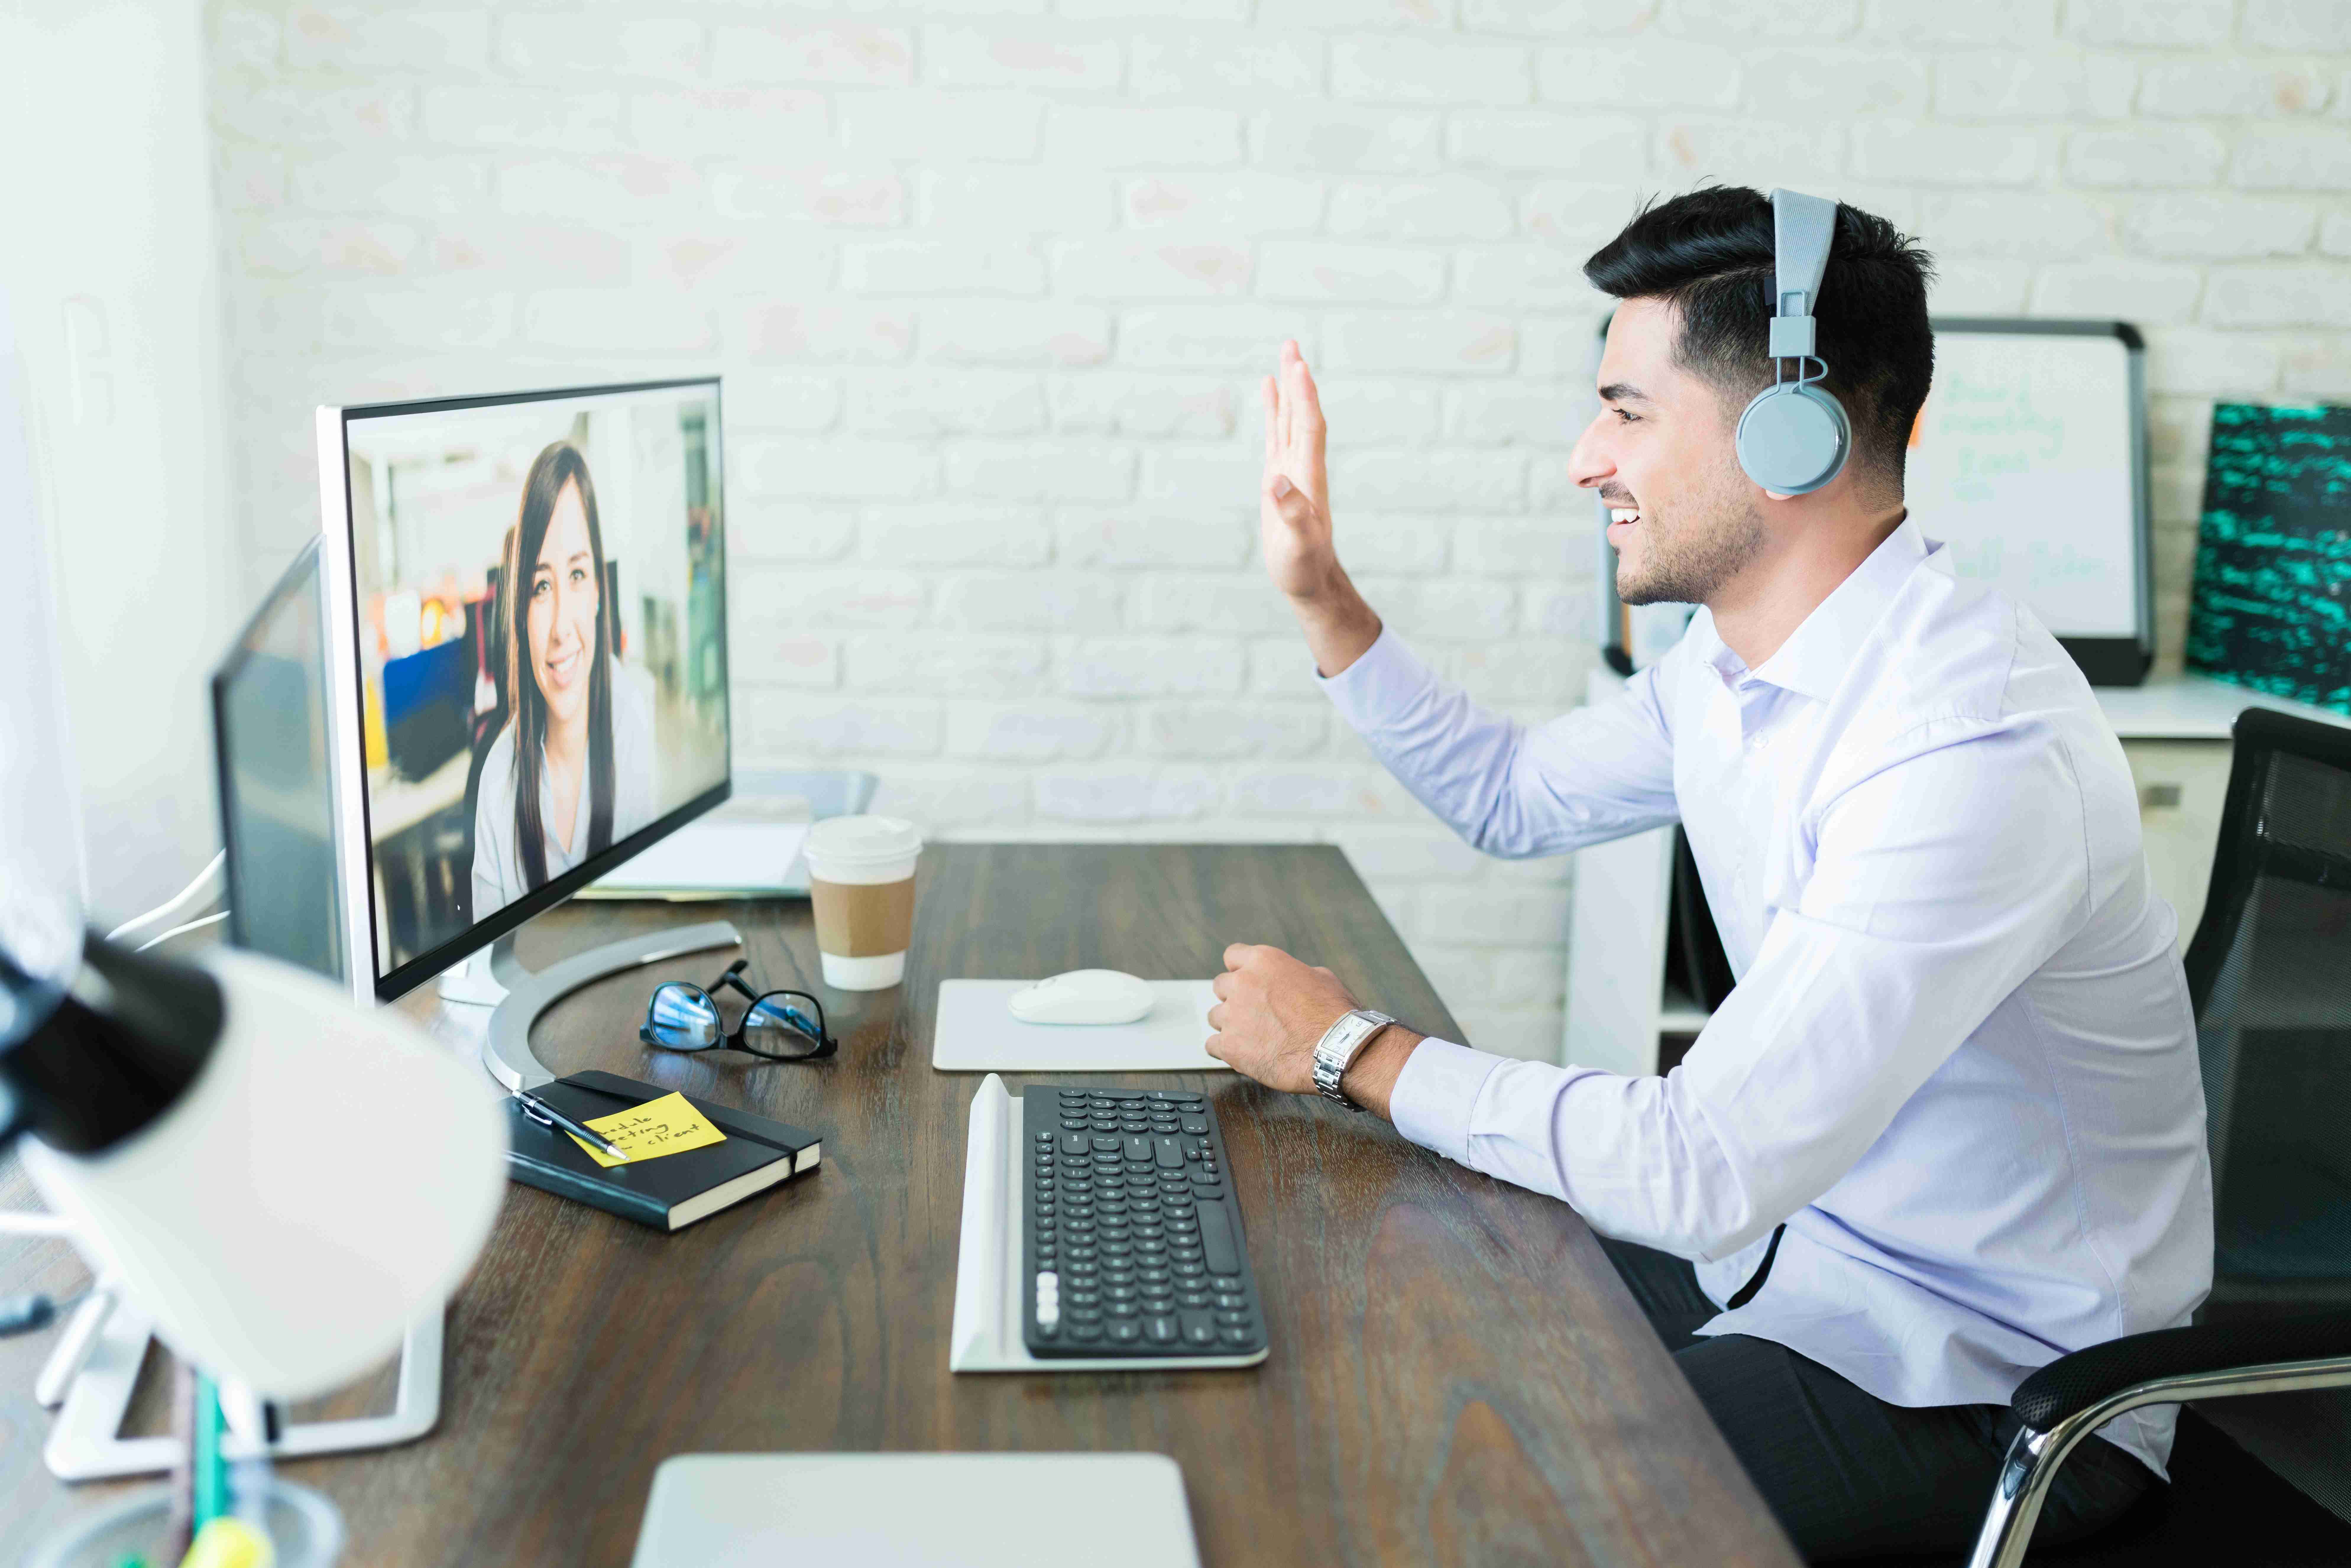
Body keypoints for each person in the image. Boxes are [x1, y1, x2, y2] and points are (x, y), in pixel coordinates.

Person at [1204, 187, 2212, 1561]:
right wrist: (1326, 596)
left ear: (1784, 430)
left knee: (1466, 1491)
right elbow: (1511, 797)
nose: (1583, 458)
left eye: (1626, 409)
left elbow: (1706, 1162)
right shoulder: (1737, 667)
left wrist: (1345, 1046)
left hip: (1987, 1384)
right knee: (1378, 1313)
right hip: (1790, 1270)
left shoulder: (1970, 744)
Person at [472, 440, 655, 916]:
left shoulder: (632, 713)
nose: (560, 628)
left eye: (576, 575)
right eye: (540, 587)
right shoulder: (497, 784)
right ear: (519, 615)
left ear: (597, 590)